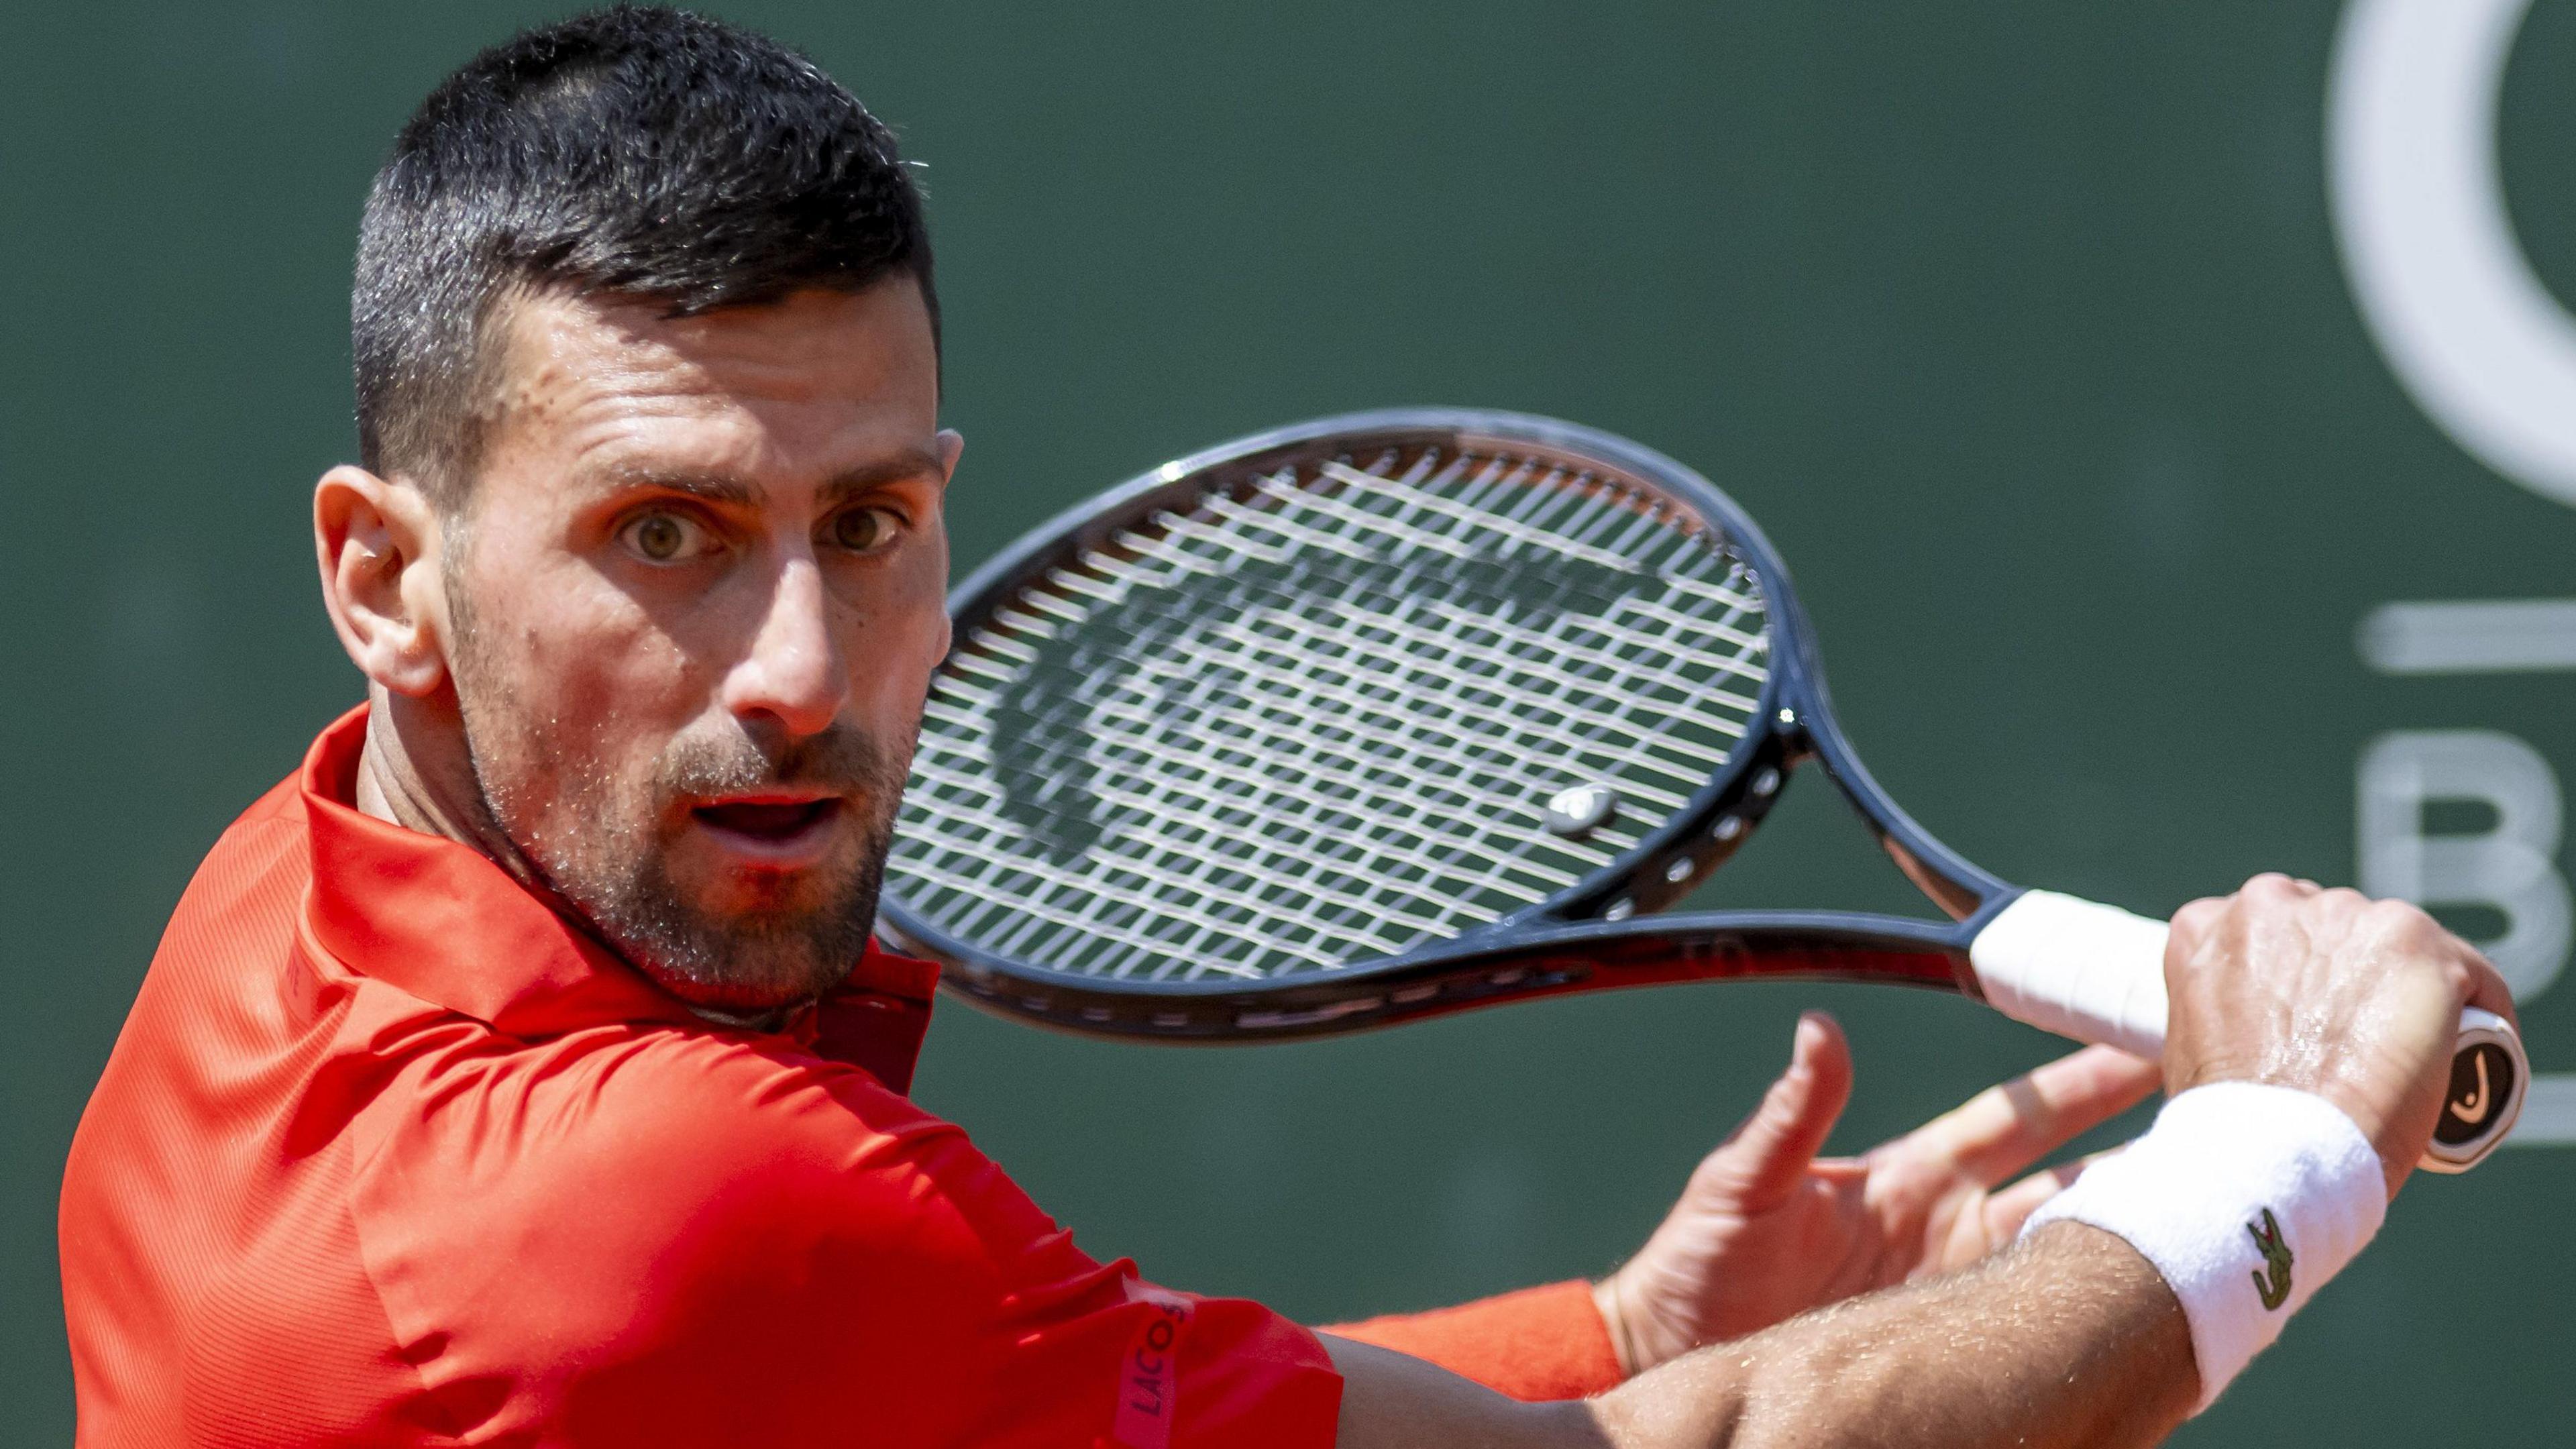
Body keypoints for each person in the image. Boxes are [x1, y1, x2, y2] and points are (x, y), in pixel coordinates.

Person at [57, 9, 2513, 1448]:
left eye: (878, 519)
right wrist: (2286, 1161)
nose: (803, 666)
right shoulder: (634, 1216)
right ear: (383, 576)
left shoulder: (276, 937)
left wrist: (1613, 1333)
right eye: (669, 540)